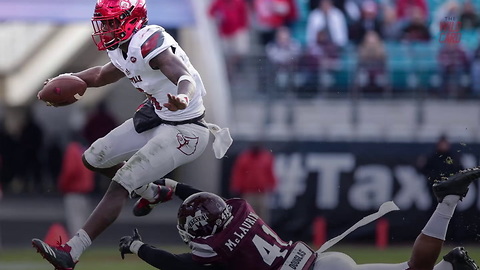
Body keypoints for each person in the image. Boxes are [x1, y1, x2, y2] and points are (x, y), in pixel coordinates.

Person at [31, 0, 232, 269]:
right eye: (103, 22)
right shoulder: (123, 49)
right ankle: (152, 192)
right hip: (157, 115)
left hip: (187, 129)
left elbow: (185, 76)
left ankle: (72, 251)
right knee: (93, 158)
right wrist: (69, 78)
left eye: (111, 22)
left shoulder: (149, 42)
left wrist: (183, 97)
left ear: (131, 20)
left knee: (121, 182)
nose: (104, 28)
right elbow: (102, 74)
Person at [117, 167, 480, 270]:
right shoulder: (241, 209)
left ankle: (448, 201)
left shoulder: (218, 248)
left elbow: (175, 264)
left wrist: (138, 246)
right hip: (323, 261)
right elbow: (202, 197)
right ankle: (452, 265)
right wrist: (171, 185)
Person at [230, 142, 277, 223]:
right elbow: (238, 173)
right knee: (248, 215)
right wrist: (236, 187)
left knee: (263, 215)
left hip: (262, 193)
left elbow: (270, 172)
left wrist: (273, 184)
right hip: (248, 192)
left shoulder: (266, 157)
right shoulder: (244, 157)